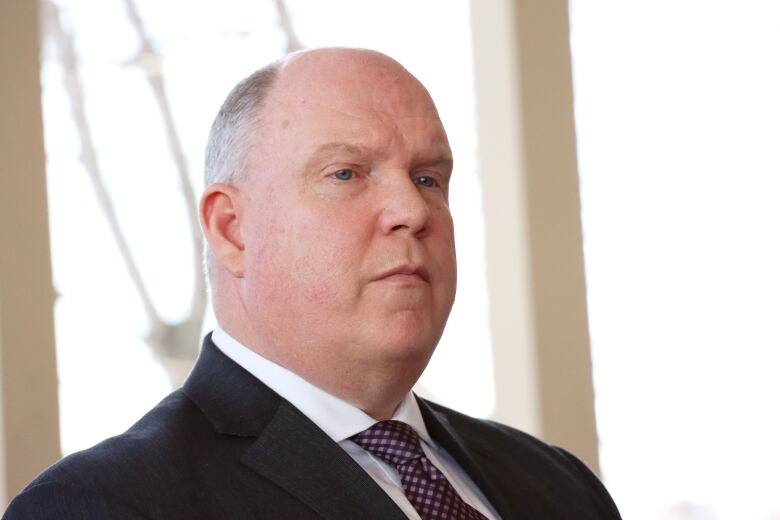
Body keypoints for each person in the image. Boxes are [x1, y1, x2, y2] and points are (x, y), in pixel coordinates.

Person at [4, 48, 621, 519]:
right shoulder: (101, 505)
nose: (412, 209)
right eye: (347, 174)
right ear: (233, 229)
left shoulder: (560, 485)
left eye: (429, 178)